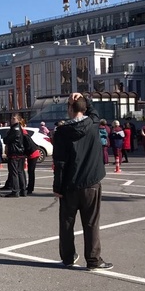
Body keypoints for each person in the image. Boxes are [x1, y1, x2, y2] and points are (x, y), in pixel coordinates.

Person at [52, 92, 112, 270]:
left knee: (67, 223)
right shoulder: (92, 124)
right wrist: (85, 97)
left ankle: (68, 257)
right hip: (91, 182)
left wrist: (57, 186)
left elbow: (60, 162)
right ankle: (93, 259)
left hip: (70, 184)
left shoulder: (62, 132)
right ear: (84, 109)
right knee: (91, 222)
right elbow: (94, 113)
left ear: (70, 109)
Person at [4, 115, 27, 197]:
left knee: (15, 173)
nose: (11, 120)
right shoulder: (18, 128)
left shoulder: (15, 129)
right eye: (11, 118)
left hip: (15, 152)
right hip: (19, 152)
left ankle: (16, 191)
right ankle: (23, 190)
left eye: (13, 118)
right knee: (20, 171)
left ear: (18, 120)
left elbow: (7, 139)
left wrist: (6, 138)